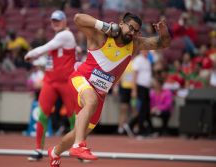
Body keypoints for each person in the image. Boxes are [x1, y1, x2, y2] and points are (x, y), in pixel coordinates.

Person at [47, 12, 171, 166]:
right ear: (121, 23)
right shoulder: (101, 36)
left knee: (78, 131)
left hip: (100, 94)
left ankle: (55, 152)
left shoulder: (134, 44)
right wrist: (104, 26)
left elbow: (163, 43)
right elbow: (78, 18)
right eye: (130, 28)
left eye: (136, 31)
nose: (132, 33)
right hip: (81, 79)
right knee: (90, 102)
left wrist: (164, 32)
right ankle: (79, 146)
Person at [24, 10, 77, 161]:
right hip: (50, 81)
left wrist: (31, 54)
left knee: (73, 115)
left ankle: (78, 147)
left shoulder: (66, 35)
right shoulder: (60, 37)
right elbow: (52, 56)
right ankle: (38, 150)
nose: (55, 23)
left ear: (65, 21)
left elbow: (46, 48)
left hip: (66, 82)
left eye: (58, 20)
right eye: (53, 20)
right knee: (42, 114)